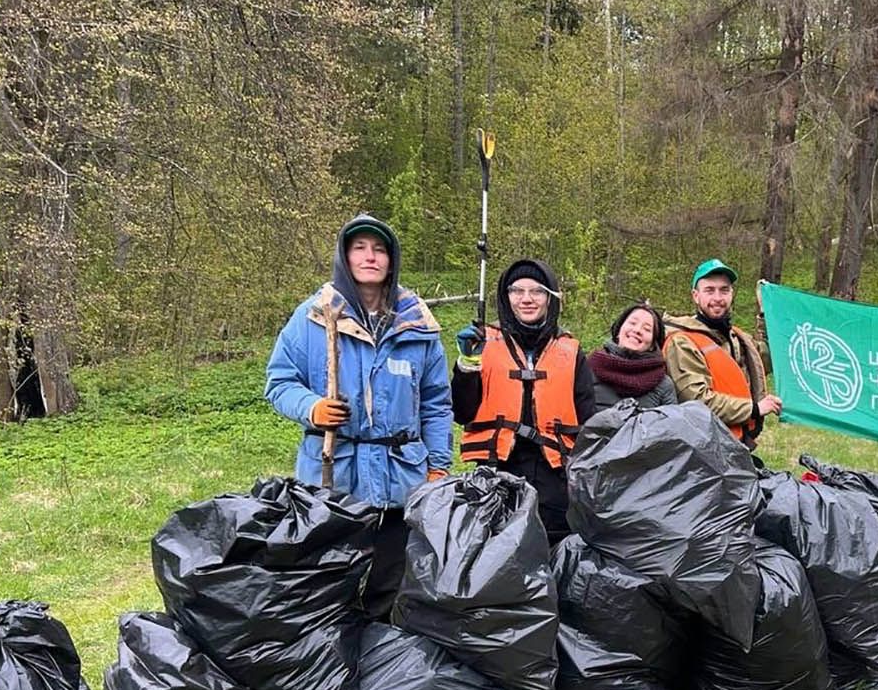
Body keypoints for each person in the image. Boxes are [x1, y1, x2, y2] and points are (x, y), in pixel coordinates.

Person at [265, 213, 452, 619]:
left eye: (380, 249)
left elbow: (436, 403)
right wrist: (311, 408)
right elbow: (279, 383)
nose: (370, 257)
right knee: (330, 585)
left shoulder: (417, 325)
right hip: (334, 480)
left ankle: (384, 667)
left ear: (392, 260)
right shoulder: (314, 317)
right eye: (360, 248)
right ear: (344, 256)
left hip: (401, 481)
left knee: (393, 584)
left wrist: (438, 466)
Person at [452, 258, 596, 543]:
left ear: (550, 298)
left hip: (554, 475)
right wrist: (467, 365)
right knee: (496, 557)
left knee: (552, 551)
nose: (526, 299)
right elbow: (462, 411)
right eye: (517, 291)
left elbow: (588, 419)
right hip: (497, 471)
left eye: (537, 291)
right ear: (506, 297)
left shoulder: (571, 350)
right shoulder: (483, 344)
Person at [663, 258, 780, 447]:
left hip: (735, 443)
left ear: (732, 294)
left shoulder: (735, 336)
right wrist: (755, 409)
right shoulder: (682, 341)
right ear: (695, 295)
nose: (717, 297)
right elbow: (697, 402)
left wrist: (766, 313)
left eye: (724, 290)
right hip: (702, 449)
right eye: (709, 290)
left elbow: (767, 356)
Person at [589, 302, 678, 412]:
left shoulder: (663, 384)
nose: (637, 330)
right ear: (618, 330)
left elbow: (672, 425)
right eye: (632, 323)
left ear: (652, 345)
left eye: (647, 329)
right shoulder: (589, 368)